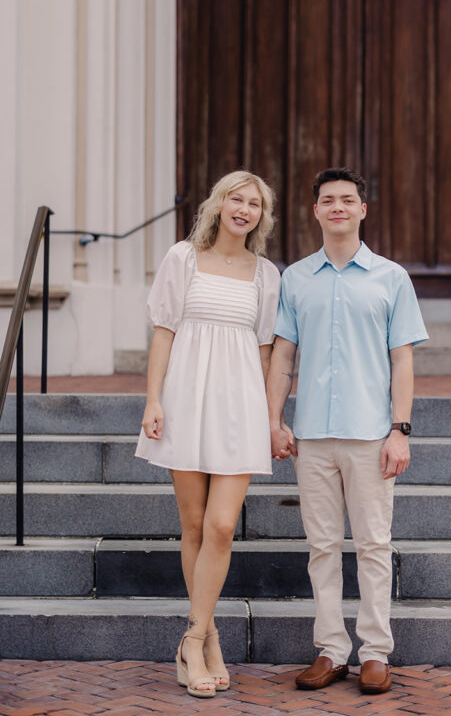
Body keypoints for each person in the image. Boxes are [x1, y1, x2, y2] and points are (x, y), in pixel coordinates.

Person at [267, 167, 428, 695]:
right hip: (312, 436)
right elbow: (284, 356)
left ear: (363, 210)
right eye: (328, 200)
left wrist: (400, 429)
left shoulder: (391, 277)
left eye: (348, 199)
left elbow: (401, 360)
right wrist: (275, 419)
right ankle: (331, 650)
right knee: (322, 547)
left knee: (374, 546)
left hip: (370, 435)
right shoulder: (295, 278)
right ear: (315, 211)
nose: (338, 207)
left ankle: (375, 653)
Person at [136, 171, 280, 699]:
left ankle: (192, 636)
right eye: (236, 199)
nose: (245, 209)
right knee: (194, 524)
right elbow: (164, 330)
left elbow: (267, 350)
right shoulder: (183, 258)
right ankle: (207, 639)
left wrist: (271, 417)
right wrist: (153, 399)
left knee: (222, 527)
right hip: (185, 401)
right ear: (219, 205)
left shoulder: (266, 273)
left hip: (239, 406)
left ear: (263, 216)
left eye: (255, 204)